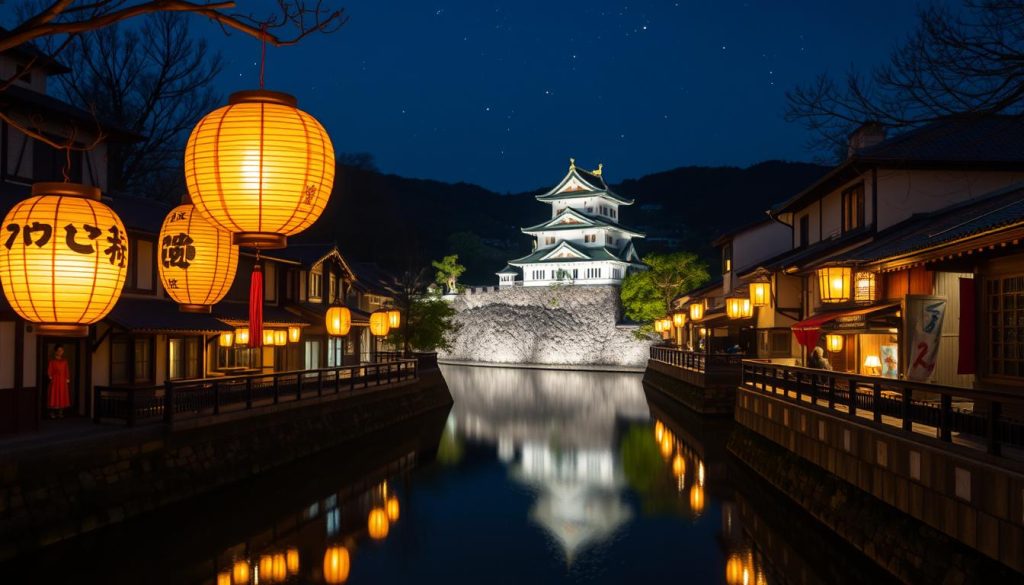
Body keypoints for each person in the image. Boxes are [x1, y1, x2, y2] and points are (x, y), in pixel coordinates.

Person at [47, 344, 70, 418]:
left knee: (62, 395)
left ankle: (60, 412)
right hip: (55, 379)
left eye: (62, 350)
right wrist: (50, 377)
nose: (60, 352)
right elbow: (49, 370)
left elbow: (66, 370)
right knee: (54, 395)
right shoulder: (52, 361)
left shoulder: (65, 361)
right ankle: (52, 412)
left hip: (62, 380)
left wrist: (67, 378)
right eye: (59, 350)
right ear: (55, 351)